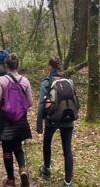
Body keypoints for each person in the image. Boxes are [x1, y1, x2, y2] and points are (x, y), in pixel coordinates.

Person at [0, 53, 32, 187]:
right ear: (18, 65)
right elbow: (31, 102)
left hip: (6, 118)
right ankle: (22, 169)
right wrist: (19, 107)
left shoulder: (2, 80)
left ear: (6, 65)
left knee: (7, 148)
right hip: (21, 119)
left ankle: (11, 179)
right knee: (18, 145)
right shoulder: (25, 81)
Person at [36, 57, 75, 187]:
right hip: (68, 119)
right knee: (67, 149)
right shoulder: (69, 81)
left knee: (47, 143)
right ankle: (68, 181)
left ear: (50, 67)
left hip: (51, 120)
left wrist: (39, 126)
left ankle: (46, 169)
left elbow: (42, 105)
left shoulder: (47, 83)